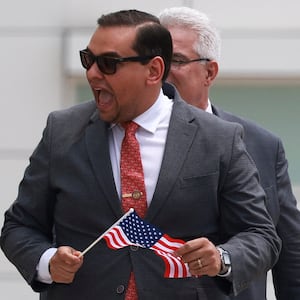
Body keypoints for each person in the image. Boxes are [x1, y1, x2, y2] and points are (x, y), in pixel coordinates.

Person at [0, 9, 280, 300]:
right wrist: (47, 263)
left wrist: (222, 258)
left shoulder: (219, 138)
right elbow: (19, 226)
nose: (93, 73)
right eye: (88, 60)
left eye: (109, 63)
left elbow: (260, 235)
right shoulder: (62, 131)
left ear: (154, 71)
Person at [159, 6, 300, 300]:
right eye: (155, 60)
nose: (161, 72)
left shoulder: (261, 145)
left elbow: (289, 252)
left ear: (209, 72)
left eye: (177, 61)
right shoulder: (123, 140)